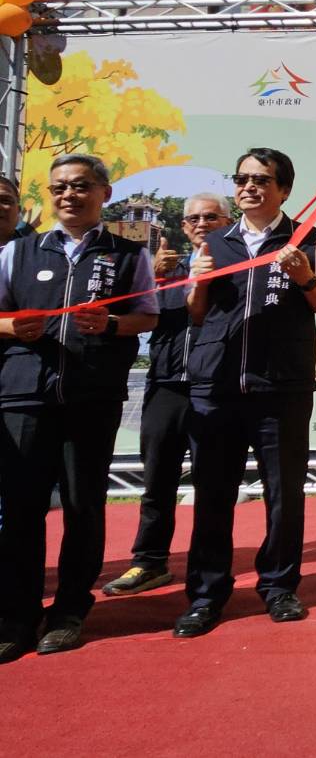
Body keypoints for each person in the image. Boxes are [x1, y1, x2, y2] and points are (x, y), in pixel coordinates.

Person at [173, 148, 316, 638]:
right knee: (212, 495)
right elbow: (197, 313)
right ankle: (206, 596)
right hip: (217, 387)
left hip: (281, 388)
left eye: (261, 180)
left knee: (284, 493)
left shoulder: (309, 239)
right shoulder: (214, 242)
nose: (248, 187)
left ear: (283, 190)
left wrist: (303, 278)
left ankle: (279, 587)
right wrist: (198, 282)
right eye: (242, 179)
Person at [0, 155, 158, 662]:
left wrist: (110, 324)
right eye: (59, 188)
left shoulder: (128, 255)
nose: (69, 195)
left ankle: (69, 611)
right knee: (21, 510)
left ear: (104, 193)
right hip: (25, 396)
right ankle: (18, 615)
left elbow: (147, 316)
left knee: (82, 506)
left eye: (81, 186)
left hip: (92, 397)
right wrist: (9, 327)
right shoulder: (18, 251)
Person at [103, 194, 232, 596]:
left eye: (210, 217)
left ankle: (206, 572)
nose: (200, 223)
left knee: (212, 485)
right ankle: (149, 562)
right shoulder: (164, 269)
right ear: (183, 225)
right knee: (157, 479)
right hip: (166, 386)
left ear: (228, 222)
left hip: (216, 388)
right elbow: (134, 318)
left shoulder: (241, 269)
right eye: (193, 218)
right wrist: (153, 281)